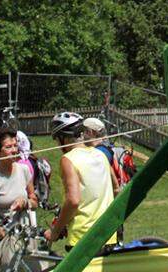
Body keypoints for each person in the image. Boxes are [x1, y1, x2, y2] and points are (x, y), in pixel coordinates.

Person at [41, 113, 119, 271]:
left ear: (63, 138)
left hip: (82, 239)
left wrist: (55, 232)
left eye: (57, 140)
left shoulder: (68, 159)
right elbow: (116, 188)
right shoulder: (101, 154)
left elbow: (73, 200)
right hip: (108, 234)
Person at [0, 128, 38, 272]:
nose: (14, 150)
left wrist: (25, 202)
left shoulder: (24, 170)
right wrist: (6, 237)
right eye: (8, 147)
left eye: (15, 145)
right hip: (2, 238)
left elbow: (34, 201)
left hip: (25, 234)